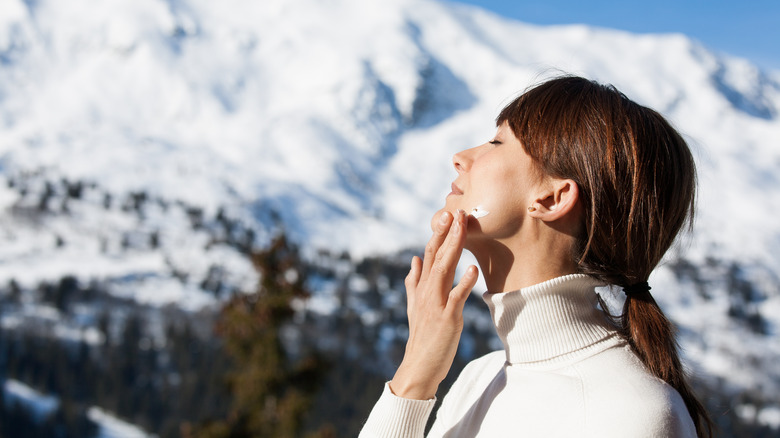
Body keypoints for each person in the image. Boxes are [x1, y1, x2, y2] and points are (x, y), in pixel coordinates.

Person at [359, 76, 713, 437]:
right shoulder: (477, 379)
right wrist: (414, 376)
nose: (460, 158)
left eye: (497, 142)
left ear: (552, 198)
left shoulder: (630, 415)